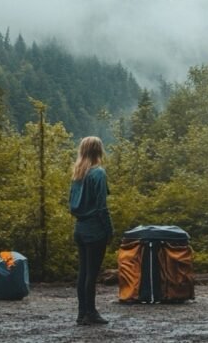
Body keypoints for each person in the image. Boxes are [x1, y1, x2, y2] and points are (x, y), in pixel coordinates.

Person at [69, 136, 113, 326]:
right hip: (95, 229)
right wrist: (109, 230)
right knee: (91, 273)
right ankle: (91, 313)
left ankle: (82, 313)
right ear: (99, 151)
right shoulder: (98, 173)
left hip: (80, 227)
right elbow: (102, 207)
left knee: (83, 272)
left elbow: (72, 205)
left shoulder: (78, 174)